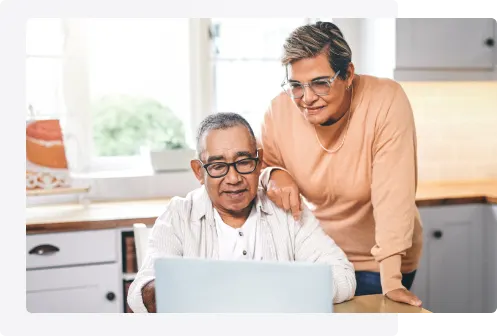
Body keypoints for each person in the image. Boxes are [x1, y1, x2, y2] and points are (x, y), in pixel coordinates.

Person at [257, 21, 423, 307]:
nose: (307, 98)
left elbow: (393, 194)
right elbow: (262, 171)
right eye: (296, 86)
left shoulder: (385, 100)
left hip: (379, 260)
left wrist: (391, 281)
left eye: (321, 83)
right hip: (320, 255)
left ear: (347, 74)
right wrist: (274, 174)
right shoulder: (279, 110)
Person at [127, 112, 356, 313]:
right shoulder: (179, 215)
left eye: (244, 162)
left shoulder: (287, 209)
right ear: (199, 172)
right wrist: (178, 290)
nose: (234, 178)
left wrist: (287, 288)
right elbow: (141, 292)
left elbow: (343, 276)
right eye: (218, 166)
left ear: (259, 162)